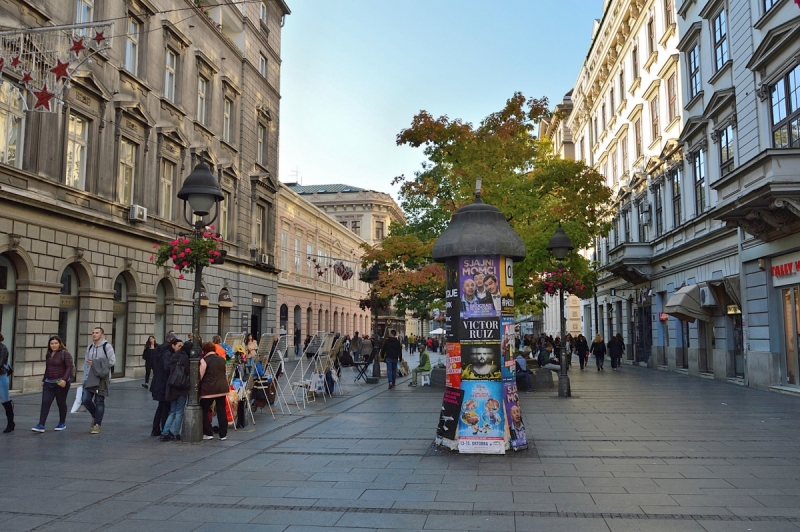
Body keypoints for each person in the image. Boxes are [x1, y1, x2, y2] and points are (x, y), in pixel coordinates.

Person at [31, 336, 74, 433]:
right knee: (45, 402)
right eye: (52, 343)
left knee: (61, 403)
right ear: (49, 345)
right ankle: (41, 425)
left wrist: (64, 379)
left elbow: (69, 367)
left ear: (60, 344)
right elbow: (47, 367)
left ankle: (62, 423)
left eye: (56, 343)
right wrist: (43, 379)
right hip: (48, 382)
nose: (54, 345)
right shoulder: (49, 354)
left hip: (60, 383)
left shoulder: (65, 354)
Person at [82, 327, 115, 434]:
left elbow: (112, 361)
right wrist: (84, 378)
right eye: (93, 333)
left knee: (99, 401)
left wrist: (97, 364)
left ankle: (97, 424)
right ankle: (95, 415)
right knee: (85, 399)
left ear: (102, 335)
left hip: (102, 377)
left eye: (97, 333)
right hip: (90, 377)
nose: (94, 335)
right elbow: (86, 363)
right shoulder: (90, 347)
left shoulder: (107, 346)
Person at [160, 338, 190, 441]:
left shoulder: (172, 356)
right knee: (179, 411)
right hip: (181, 386)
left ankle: (165, 432)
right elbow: (187, 371)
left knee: (172, 411)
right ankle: (176, 433)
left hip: (172, 386)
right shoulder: (185, 357)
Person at [199, 341, 229, 441]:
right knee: (221, 410)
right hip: (222, 388)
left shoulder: (204, 360)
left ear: (205, 350)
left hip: (209, 389)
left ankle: (208, 432)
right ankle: (223, 434)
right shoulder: (221, 359)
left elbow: (200, 375)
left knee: (203, 409)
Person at [150, 332, 176, 436]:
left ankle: (156, 428)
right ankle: (164, 428)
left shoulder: (159, 349)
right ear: (171, 341)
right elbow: (166, 367)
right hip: (163, 383)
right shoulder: (167, 352)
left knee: (161, 406)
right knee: (165, 406)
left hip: (158, 382)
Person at [1, 333, 13, 433]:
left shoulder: (3, 348)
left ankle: (10, 423)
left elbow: (0, 362)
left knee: (5, 400)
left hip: (1, 375)